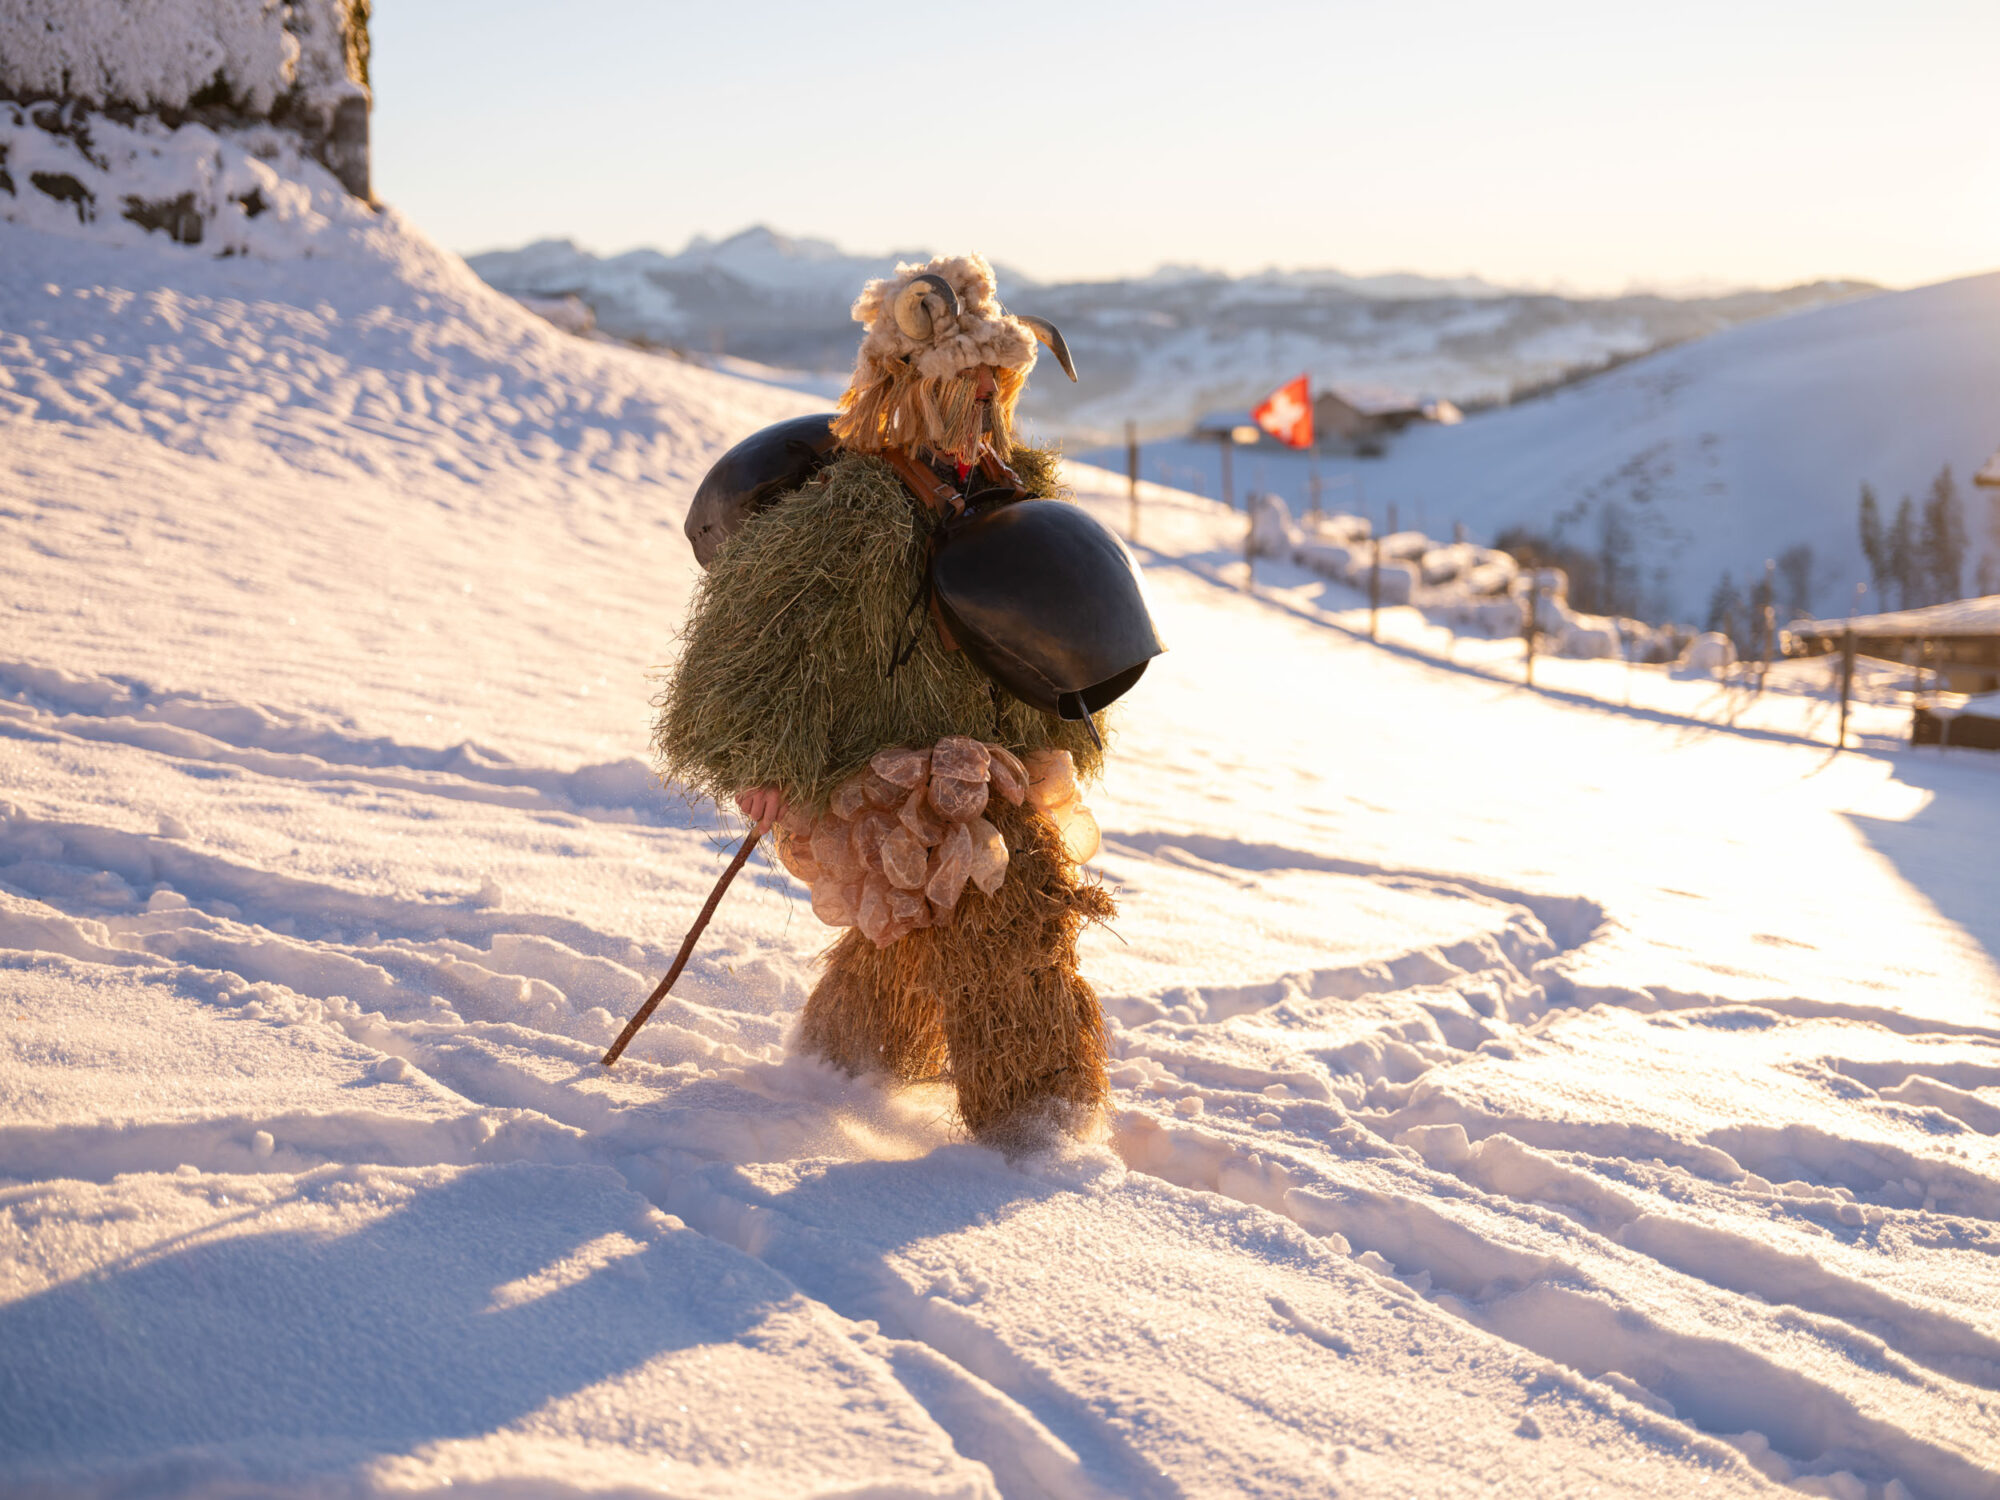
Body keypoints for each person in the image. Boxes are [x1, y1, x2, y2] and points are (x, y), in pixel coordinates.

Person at [654, 253, 1157, 1147]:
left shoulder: (1016, 491)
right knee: (1007, 898)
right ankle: (1037, 1123)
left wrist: (1062, 724)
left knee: (919, 919)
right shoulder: (855, 509)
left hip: (987, 758)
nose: (982, 402)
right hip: (876, 765)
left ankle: (849, 1059)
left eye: (995, 385)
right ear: (908, 385)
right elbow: (761, 642)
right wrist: (761, 759)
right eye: (964, 382)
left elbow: (1046, 625)